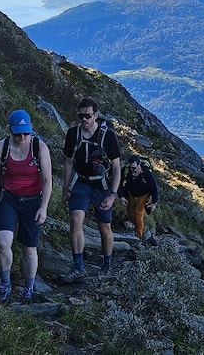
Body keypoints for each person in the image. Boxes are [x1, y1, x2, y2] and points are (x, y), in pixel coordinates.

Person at [0, 109, 53, 304]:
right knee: (3, 241)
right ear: (10, 130)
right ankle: (5, 282)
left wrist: (43, 207)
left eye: (25, 133)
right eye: (17, 133)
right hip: (9, 198)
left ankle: (29, 288)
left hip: (33, 201)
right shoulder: (2, 147)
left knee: (29, 248)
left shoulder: (39, 147)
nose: (22, 137)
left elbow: (47, 180)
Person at [60, 98, 121, 281]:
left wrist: (113, 195)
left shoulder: (108, 136)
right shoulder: (73, 134)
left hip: (102, 186)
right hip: (81, 183)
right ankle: (78, 267)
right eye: (81, 116)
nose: (84, 119)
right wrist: (65, 190)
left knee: (104, 227)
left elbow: (116, 167)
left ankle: (107, 264)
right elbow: (69, 162)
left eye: (88, 116)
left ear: (96, 115)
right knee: (75, 219)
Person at [119, 154, 159, 241]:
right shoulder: (126, 170)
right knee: (130, 213)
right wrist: (121, 196)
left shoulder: (146, 173)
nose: (132, 170)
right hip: (131, 194)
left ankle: (139, 237)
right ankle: (139, 229)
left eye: (134, 168)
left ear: (139, 165)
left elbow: (154, 188)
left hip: (143, 196)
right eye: (131, 168)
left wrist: (154, 203)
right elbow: (120, 184)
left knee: (138, 214)